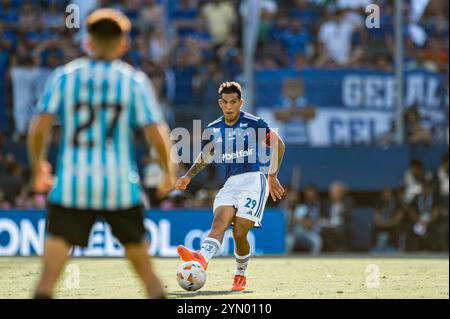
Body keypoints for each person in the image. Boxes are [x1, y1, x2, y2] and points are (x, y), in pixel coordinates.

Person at [27, 9, 176, 299]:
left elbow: (39, 127)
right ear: (124, 44)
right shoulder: (133, 81)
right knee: (150, 279)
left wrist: (38, 167)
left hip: (72, 184)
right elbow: (157, 135)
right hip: (119, 186)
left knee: (46, 282)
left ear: (88, 42)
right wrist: (168, 173)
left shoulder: (64, 77)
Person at [175, 81, 285, 291]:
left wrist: (272, 176)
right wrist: (188, 176)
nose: (229, 106)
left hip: (254, 180)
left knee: (240, 233)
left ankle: (240, 273)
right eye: (225, 102)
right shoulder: (214, 128)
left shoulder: (254, 123)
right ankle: (201, 260)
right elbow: (206, 156)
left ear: (240, 102)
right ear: (220, 103)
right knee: (218, 222)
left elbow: (278, 144)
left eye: (233, 102)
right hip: (231, 184)